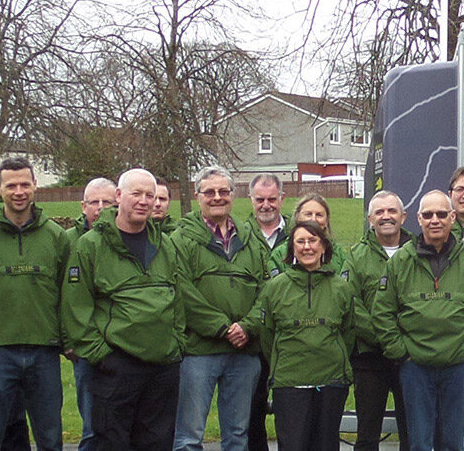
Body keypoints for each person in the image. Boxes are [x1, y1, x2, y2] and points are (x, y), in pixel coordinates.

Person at [63, 168, 198, 451]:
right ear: (119, 196)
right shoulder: (91, 245)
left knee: (157, 443)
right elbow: (77, 307)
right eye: (136, 193)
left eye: (150, 195)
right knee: (111, 443)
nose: (144, 201)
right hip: (115, 367)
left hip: (162, 368)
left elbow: (178, 300)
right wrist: (103, 357)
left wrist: (176, 346)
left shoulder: (166, 244)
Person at [0, 158, 71, 451]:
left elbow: (66, 295)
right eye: (11, 185)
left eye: (25, 184)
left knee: (50, 438)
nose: (19, 191)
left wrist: (66, 340)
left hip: (44, 352)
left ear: (35, 186)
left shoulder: (56, 237)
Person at [372, 190, 464, 451]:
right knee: (419, 443)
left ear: (452, 217)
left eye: (441, 214)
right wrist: (401, 353)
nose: (435, 220)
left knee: (452, 442)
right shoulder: (401, 262)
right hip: (415, 368)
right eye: (428, 215)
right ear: (418, 219)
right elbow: (382, 312)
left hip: (458, 367)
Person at [228, 221, 358, 451]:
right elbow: (268, 335)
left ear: (324, 247)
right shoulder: (276, 287)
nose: (307, 247)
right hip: (290, 382)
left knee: (326, 445)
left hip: (331, 381)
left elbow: (347, 333)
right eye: (300, 241)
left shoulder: (341, 287)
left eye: (313, 240)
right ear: (292, 248)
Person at [173, 166, 273, 451]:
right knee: (189, 436)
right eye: (210, 192)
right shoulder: (182, 238)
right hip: (199, 352)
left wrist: (247, 326)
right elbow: (182, 290)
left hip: (244, 353)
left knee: (237, 436)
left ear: (233, 195)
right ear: (197, 196)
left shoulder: (250, 237)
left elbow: (266, 289)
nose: (217, 197)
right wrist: (222, 328)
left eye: (223, 191)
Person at [341, 191, 414, 451]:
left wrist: (404, 343)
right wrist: (386, 338)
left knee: (412, 431)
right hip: (370, 358)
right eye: (379, 212)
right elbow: (351, 304)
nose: (386, 217)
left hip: (411, 357)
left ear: (403, 217)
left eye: (392, 211)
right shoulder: (356, 256)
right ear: (370, 219)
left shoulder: (418, 251)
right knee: (368, 434)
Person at [67, 177, 115, 451]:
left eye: (106, 202)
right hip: (84, 347)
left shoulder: (123, 238)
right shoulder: (69, 241)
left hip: (119, 344)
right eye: (93, 202)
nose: (99, 208)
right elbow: (63, 296)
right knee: (91, 426)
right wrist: (70, 341)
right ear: (83, 206)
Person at [246, 174, 290, 249]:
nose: (266, 205)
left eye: (271, 200)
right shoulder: (243, 236)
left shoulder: (295, 231)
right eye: (260, 200)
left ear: (281, 199)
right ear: (251, 200)